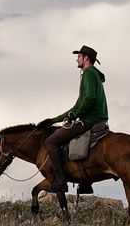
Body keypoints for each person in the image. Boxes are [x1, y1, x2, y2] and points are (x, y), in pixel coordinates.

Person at [42, 44, 108, 193]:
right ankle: (85, 182)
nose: (77, 59)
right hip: (96, 119)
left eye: (79, 56)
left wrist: (74, 115)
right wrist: (54, 120)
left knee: (50, 141)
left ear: (86, 58)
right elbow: (76, 107)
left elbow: (89, 99)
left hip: (90, 120)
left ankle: (60, 181)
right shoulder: (93, 75)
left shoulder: (89, 73)